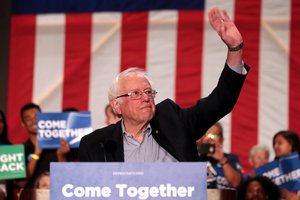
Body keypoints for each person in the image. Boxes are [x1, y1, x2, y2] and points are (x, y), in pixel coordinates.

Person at [79, 7, 249, 164]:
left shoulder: (173, 121)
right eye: (136, 93)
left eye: (148, 92)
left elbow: (220, 102)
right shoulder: (96, 144)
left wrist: (235, 49)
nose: (146, 98)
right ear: (116, 105)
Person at [20, 103, 67, 189]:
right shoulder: (21, 150)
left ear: (43, 119)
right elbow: (21, 183)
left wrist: (61, 155)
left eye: (36, 117)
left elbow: (66, 176)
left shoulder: (57, 144)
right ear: (23, 124)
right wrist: (36, 154)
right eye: (28, 119)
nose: (34, 121)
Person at [197, 122, 243, 189]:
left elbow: (236, 183)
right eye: (206, 135)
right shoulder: (194, 158)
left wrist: (222, 159)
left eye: (214, 135)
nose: (209, 139)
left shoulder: (231, 158)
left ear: (221, 140)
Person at [272, 130, 300, 199]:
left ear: (291, 145)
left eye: (279, 143)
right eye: (274, 143)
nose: (275, 146)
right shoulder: (271, 169)